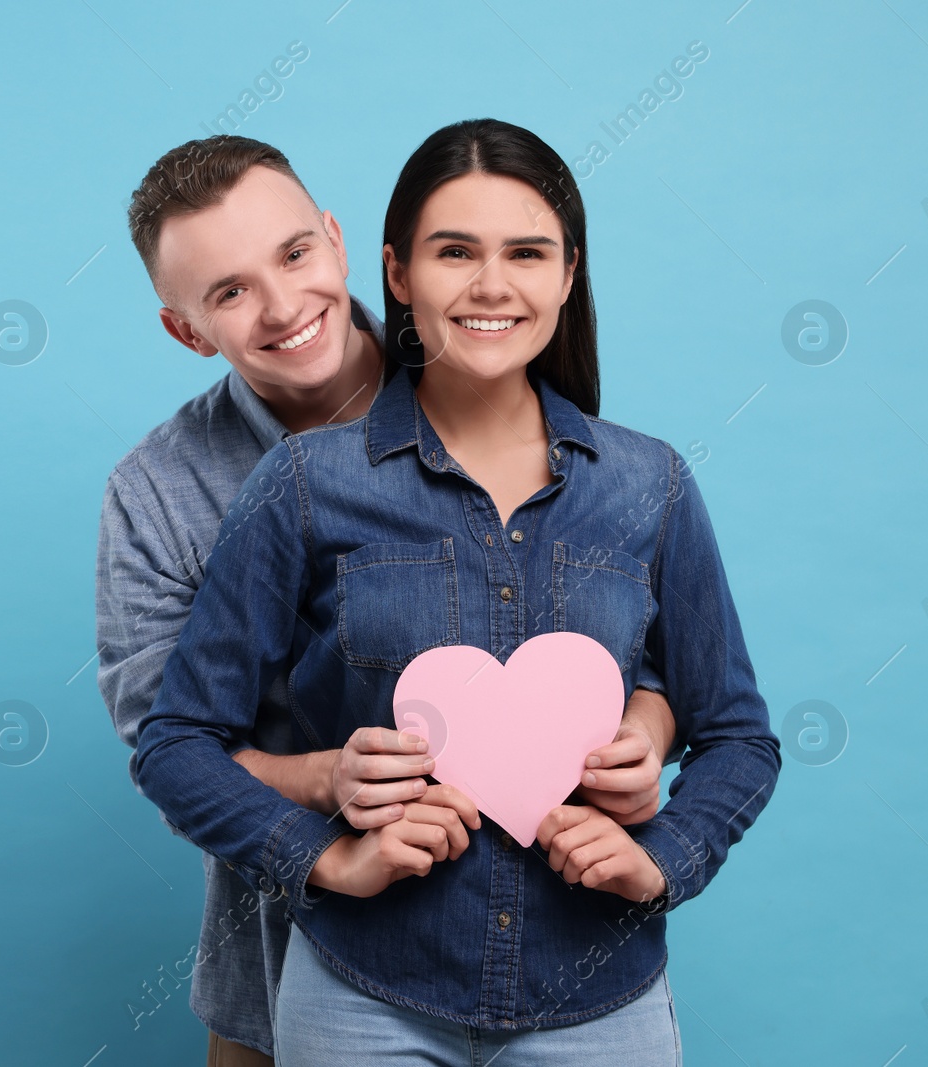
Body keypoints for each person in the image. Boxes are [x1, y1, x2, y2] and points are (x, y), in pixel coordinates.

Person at [130, 119, 780, 1066]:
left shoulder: (652, 485)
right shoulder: (306, 483)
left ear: (567, 275)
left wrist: (663, 857)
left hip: (599, 994)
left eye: (526, 252)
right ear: (397, 274)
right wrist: (324, 858)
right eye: (454, 252)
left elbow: (740, 736)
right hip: (364, 995)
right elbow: (176, 743)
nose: (490, 284)